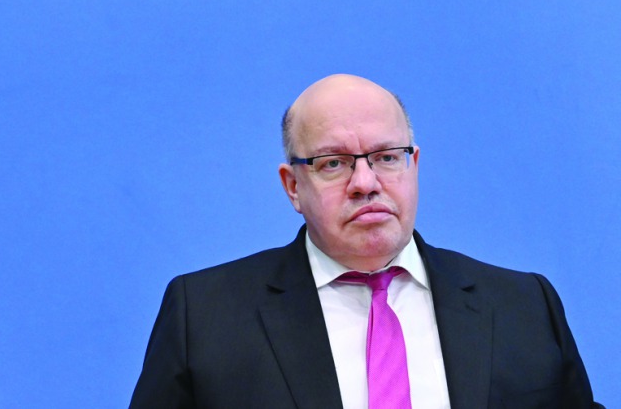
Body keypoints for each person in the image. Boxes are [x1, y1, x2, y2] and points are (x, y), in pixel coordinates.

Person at [129, 74, 600, 408]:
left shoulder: (523, 304)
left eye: (386, 157)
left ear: (414, 165)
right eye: (334, 162)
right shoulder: (205, 315)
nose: (366, 182)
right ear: (293, 186)